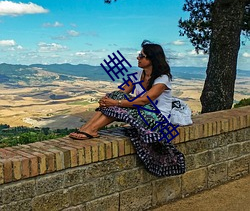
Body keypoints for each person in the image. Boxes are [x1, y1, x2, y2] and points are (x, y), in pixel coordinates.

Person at [69, 40, 185, 176]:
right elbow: (122, 92)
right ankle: (87, 128)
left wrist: (115, 102)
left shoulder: (162, 79)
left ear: (152, 59)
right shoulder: (137, 75)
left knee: (118, 103)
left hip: (157, 118)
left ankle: (92, 129)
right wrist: (107, 100)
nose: (138, 58)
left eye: (142, 56)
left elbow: (143, 101)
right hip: (142, 111)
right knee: (114, 96)